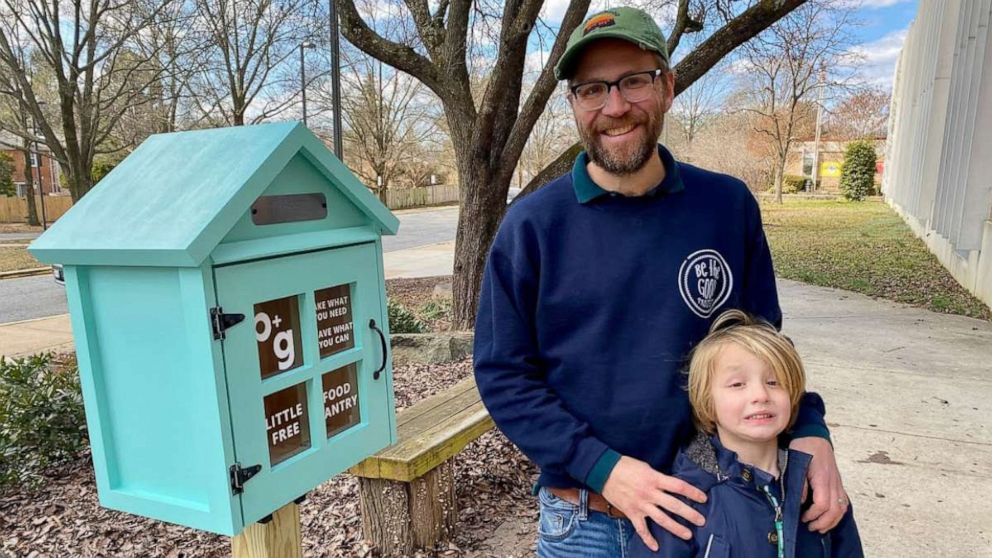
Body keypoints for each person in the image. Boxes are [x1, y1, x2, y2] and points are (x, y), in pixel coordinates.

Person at [473, 7, 849, 557]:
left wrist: (810, 426)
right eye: (593, 89)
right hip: (586, 524)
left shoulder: (725, 206)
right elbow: (505, 376)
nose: (615, 106)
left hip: (712, 510)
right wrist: (604, 470)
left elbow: (765, 349)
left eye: (633, 81)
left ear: (668, 86)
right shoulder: (531, 227)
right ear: (575, 104)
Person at [627, 309, 864, 557]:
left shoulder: (821, 490)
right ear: (708, 403)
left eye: (774, 382)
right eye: (737, 384)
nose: (760, 395)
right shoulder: (683, 501)